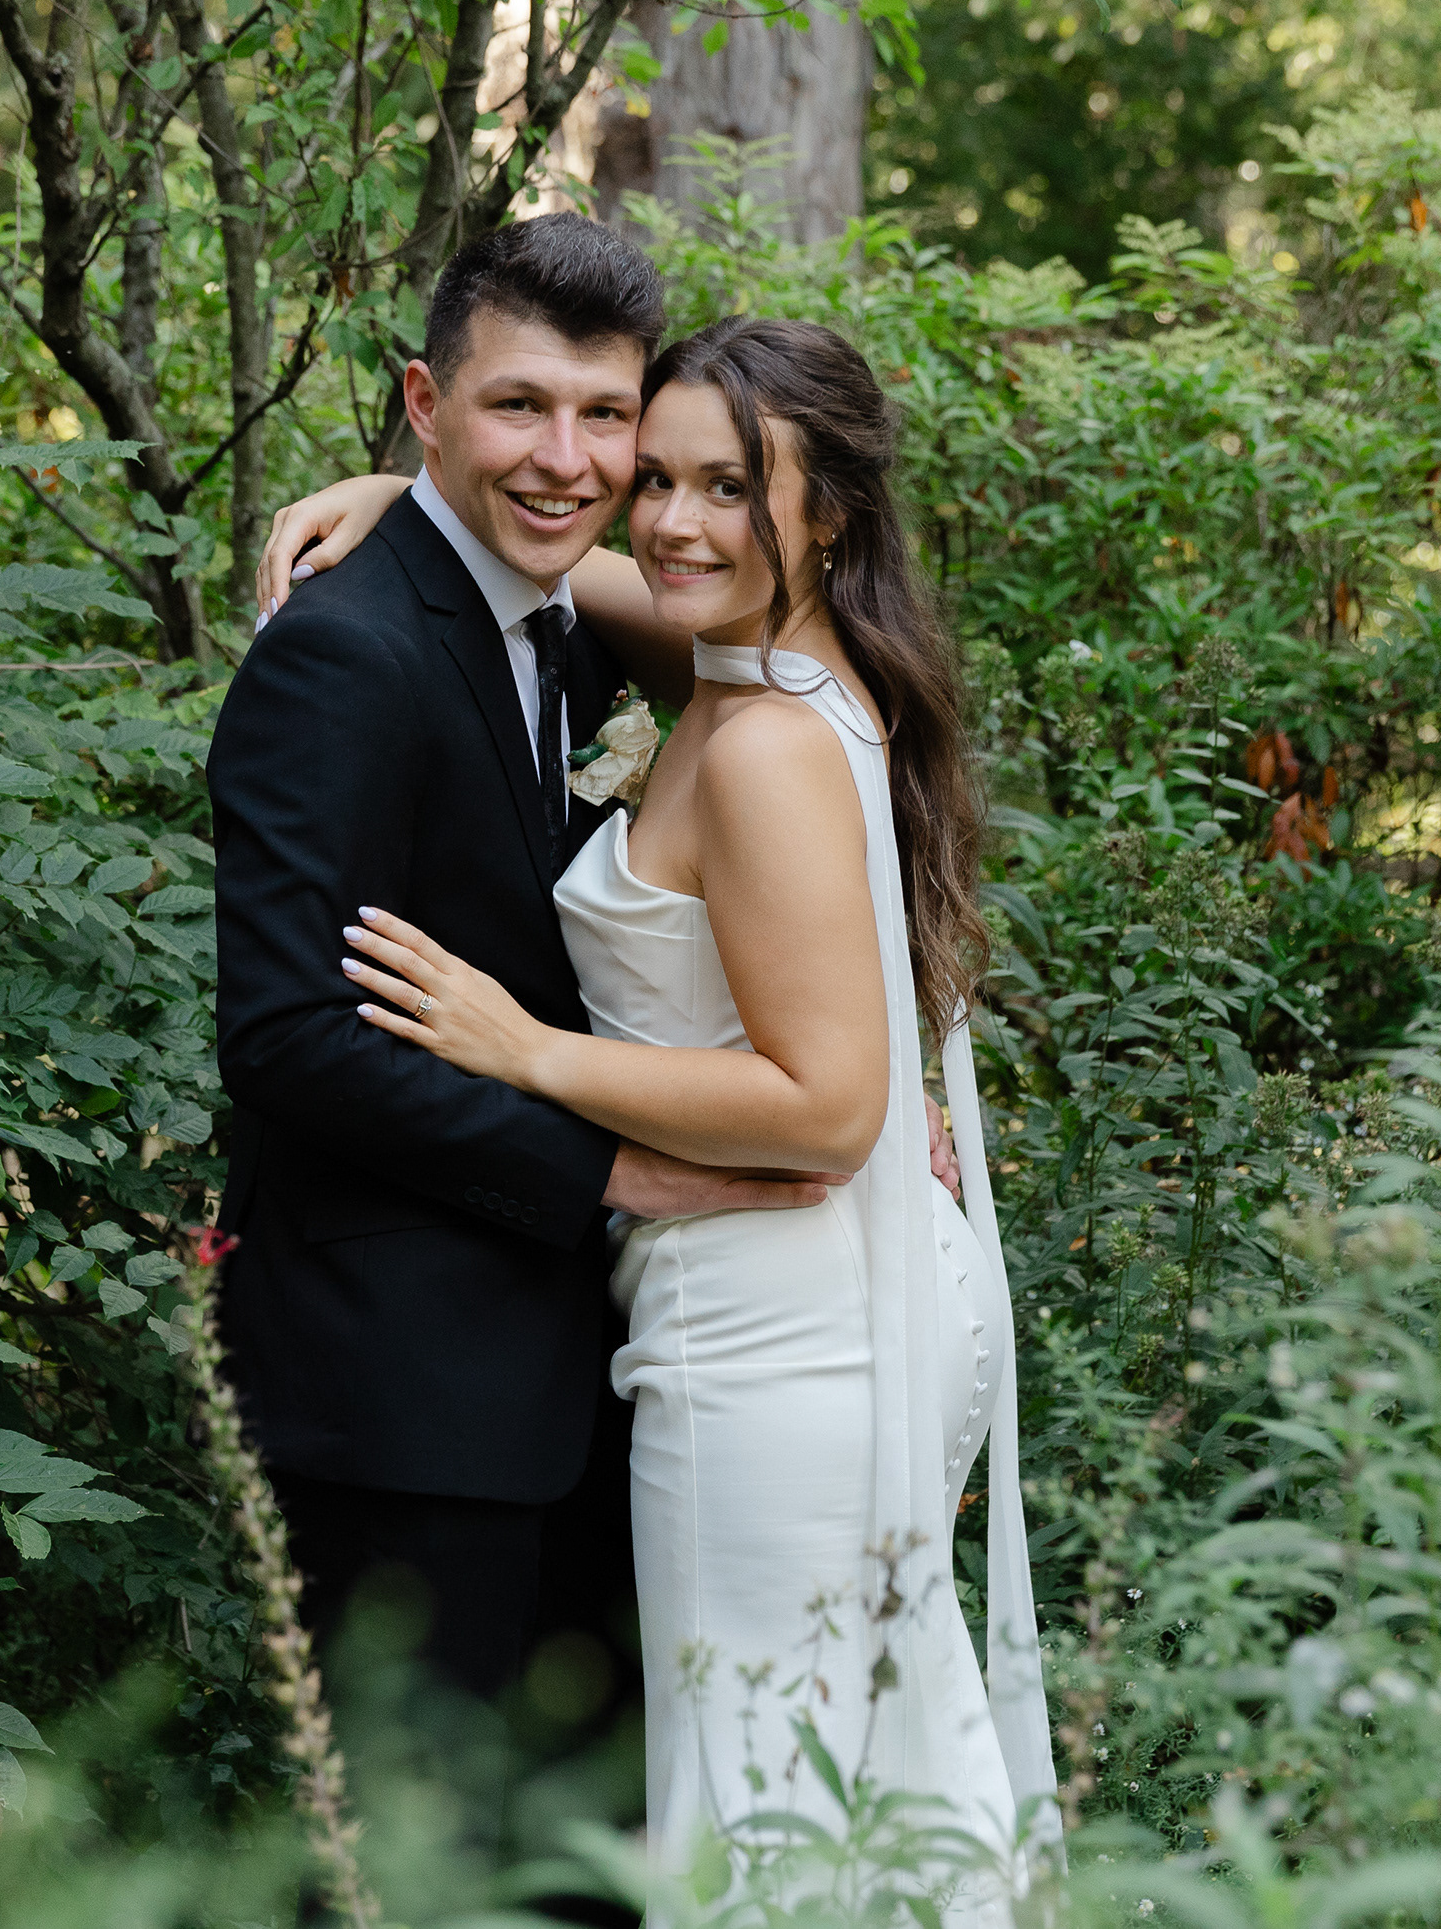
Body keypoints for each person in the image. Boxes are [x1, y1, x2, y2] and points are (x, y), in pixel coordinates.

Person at [251, 317, 1055, 1913]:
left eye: (731, 489)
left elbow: (830, 1106)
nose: (675, 522)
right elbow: (564, 568)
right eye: (660, 476)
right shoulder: (759, 659)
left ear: (828, 515)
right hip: (826, 1294)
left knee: (756, 1812)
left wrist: (526, 1050)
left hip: (782, 1324)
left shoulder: (763, 745)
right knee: (845, 1779)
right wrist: (410, 490)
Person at [206, 219, 839, 1827]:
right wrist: (606, 1171)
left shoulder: (565, 624)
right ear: (426, 402)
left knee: (580, 1860)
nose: (566, 459)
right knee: (420, 1865)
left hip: (584, 1381)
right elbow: (289, 1036)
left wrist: (399, 493)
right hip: (403, 1402)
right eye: (517, 407)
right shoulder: (339, 657)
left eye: (604, 415)